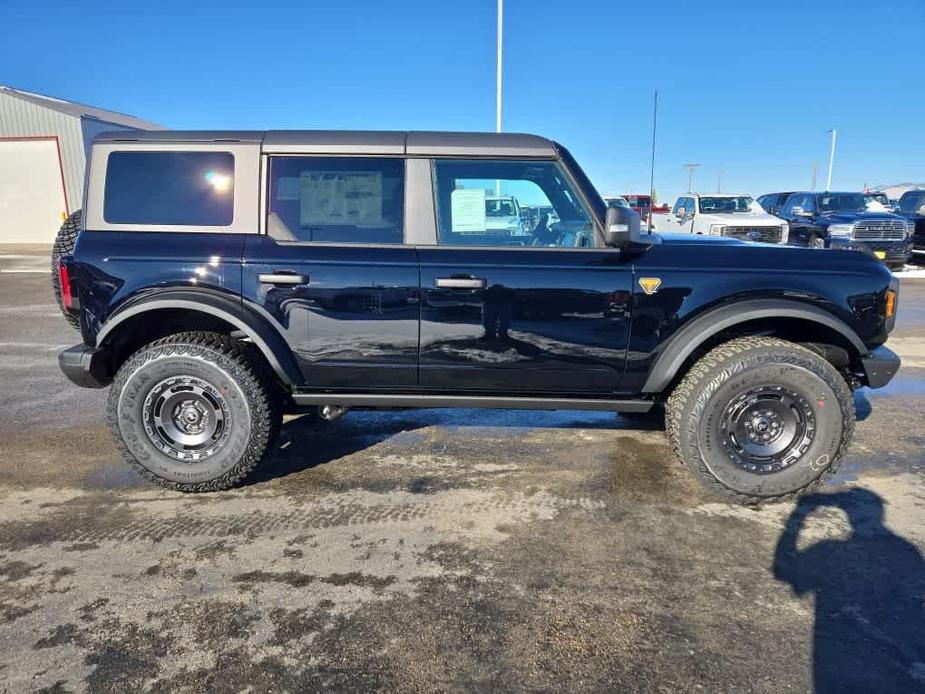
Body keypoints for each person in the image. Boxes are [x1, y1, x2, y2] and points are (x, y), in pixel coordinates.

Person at [773, 489, 925, 692]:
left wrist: (800, 513)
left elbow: (784, 572)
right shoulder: (906, 551)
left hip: (838, 662)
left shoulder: (827, 550)